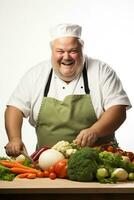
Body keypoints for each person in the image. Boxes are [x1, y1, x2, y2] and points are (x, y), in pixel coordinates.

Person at [5, 23, 132, 157]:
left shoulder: (101, 71)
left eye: (73, 51)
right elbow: (15, 108)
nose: (66, 57)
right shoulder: (36, 74)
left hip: (99, 163)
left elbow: (118, 110)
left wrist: (95, 131)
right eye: (60, 51)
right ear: (52, 51)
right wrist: (14, 138)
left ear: (82, 49)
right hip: (47, 166)